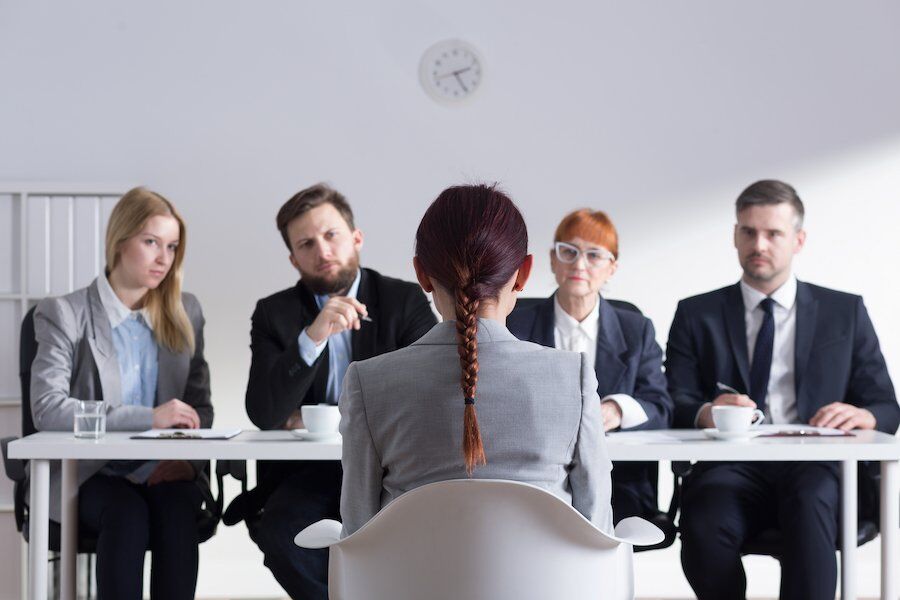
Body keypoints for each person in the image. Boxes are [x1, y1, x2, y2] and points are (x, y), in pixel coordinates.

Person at [665, 179, 900, 600]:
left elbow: (886, 405)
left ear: (798, 240)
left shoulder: (843, 312)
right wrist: (708, 411)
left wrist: (865, 415)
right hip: (731, 465)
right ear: (735, 236)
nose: (760, 244)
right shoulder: (696, 314)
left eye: (773, 233)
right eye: (749, 231)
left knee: (811, 504)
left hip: (816, 464)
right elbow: (673, 400)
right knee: (703, 524)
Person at [340, 184, 613, 537]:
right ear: (524, 273)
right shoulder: (571, 378)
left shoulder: (369, 383)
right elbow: (597, 531)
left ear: (421, 274)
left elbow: (358, 535)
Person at [241, 183, 437, 599]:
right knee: (281, 535)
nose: (323, 251)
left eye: (331, 235)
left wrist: (313, 415)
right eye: (307, 244)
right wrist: (311, 339)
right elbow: (263, 411)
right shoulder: (273, 314)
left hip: (392, 467)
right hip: (309, 473)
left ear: (356, 238)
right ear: (294, 259)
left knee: (412, 539)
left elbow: (429, 392)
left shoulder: (404, 301)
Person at [30, 187, 213, 600]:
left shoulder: (186, 313)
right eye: (151, 242)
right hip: (93, 471)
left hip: (163, 468)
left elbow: (200, 407)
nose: (163, 258)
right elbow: (47, 408)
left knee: (178, 509)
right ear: (119, 241)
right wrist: (149, 417)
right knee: (127, 514)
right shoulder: (65, 313)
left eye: (172, 246)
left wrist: (187, 459)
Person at [507, 209, 672, 524]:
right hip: (533, 478)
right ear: (553, 260)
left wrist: (616, 410)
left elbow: (660, 406)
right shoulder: (515, 324)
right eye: (568, 252)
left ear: (612, 268)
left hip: (619, 481)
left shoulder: (636, 330)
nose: (579, 264)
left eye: (594, 255)